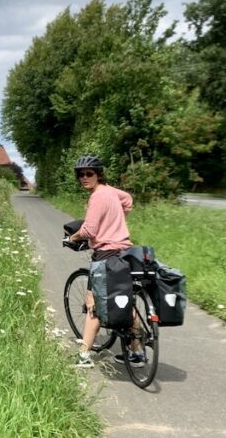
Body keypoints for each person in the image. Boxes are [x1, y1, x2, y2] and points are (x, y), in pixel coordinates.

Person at [67, 154, 138, 368]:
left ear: (99, 175)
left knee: (93, 303)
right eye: (81, 175)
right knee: (126, 302)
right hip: (125, 252)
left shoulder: (97, 196)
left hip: (106, 254)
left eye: (89, 174)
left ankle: (84, 355)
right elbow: (128, 200)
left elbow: (89, 230)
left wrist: (72, 237)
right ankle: (137, 353)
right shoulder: (110, 192)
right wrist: (116, 218)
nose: (84, 178)